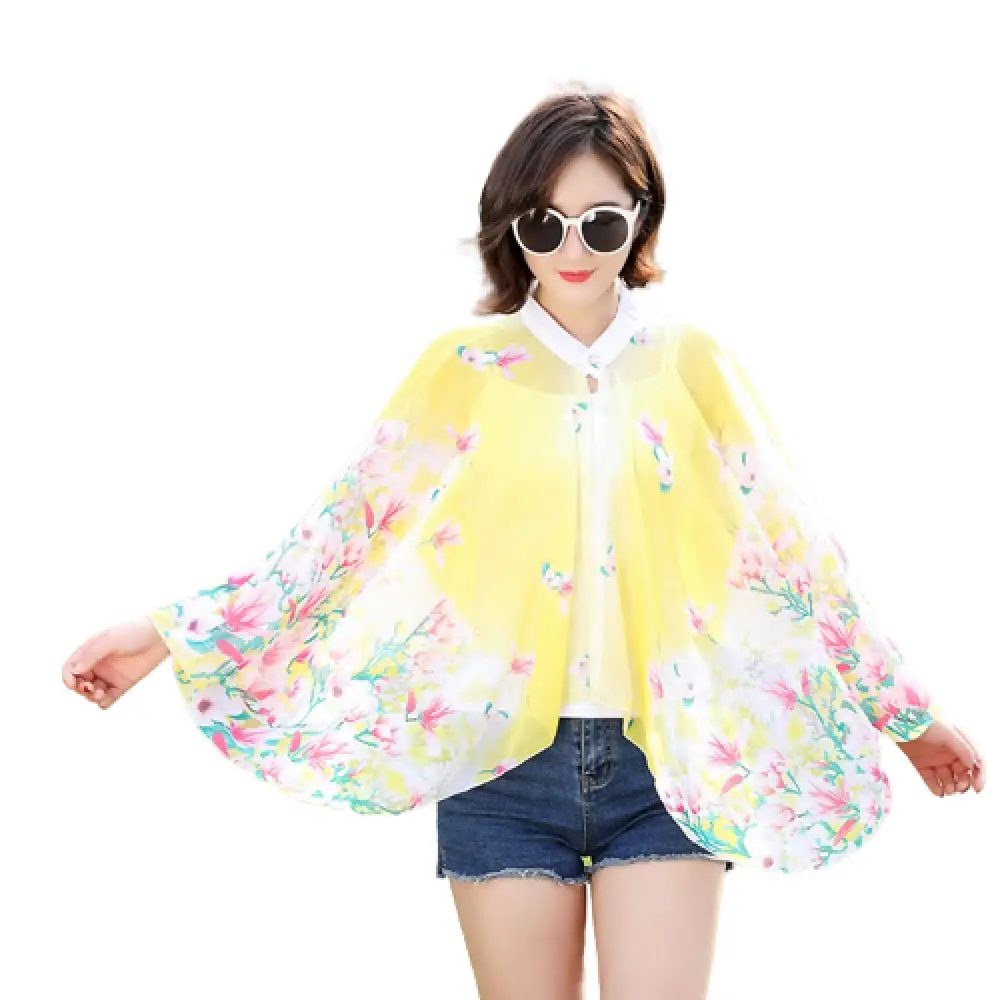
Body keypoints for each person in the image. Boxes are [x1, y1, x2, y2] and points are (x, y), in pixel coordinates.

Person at [61, 87, 986, 1000]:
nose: (572, 250)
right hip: (498, 765)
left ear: (642, 216)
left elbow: (799, 555)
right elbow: (343, 538)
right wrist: (167, 632)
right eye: (544, 225)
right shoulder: (463, 370)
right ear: (512, 227)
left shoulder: (691, 364)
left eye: (600, 223)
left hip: (664, 763)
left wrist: (910, 719)